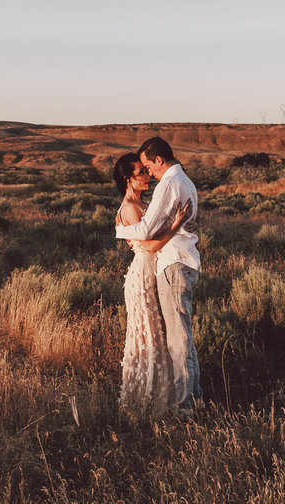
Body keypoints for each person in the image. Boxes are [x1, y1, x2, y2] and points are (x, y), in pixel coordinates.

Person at [114, 137, 202, 415]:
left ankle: (183, 403)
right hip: (149, 271)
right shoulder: (176, 182)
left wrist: (123, 231)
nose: (148, 173)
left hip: (169, 265)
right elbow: (148, 238)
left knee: (174, 338)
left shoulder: (168, 184)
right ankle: (175, 400)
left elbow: (149, 231)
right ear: (129, 179)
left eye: (148, 167)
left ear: (159, 160)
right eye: (142, 171)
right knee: (161, 337)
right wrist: (121, 230)